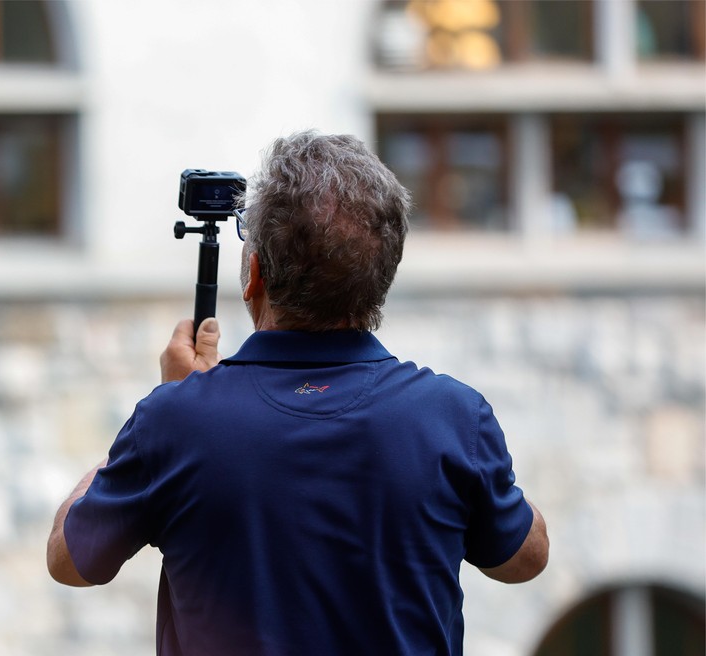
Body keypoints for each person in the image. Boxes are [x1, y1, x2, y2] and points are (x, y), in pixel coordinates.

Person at [47, 131, 549, 655]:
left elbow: (70, 560)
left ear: (254, 275)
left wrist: (173, 404)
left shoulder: (174, 422)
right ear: (383, 276)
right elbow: (526, 558)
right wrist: (475, 472)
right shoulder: (452, 416)